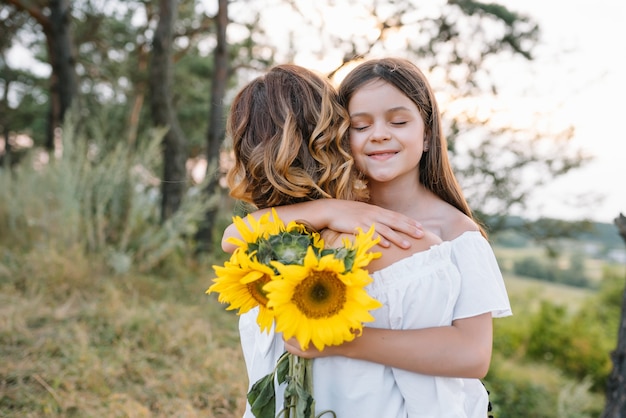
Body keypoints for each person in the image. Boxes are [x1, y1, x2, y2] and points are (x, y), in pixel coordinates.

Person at [223, 59, 512, 417]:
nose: (379, 134)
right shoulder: (329, 217)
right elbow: (234, 237)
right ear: (340, 137)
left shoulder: (456, 235)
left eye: (399, 121)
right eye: (360, 125)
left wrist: (341, 339)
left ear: (427, 135)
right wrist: (327, 211)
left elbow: (473, 355)